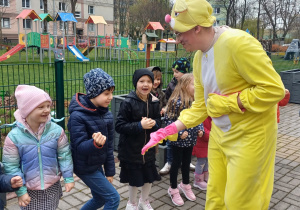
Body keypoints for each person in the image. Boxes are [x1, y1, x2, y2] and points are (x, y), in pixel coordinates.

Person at [142, 0, 286, 209]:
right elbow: (201, 106)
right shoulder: (199, 58)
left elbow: (274, 89)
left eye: (180, 32)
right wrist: (167, 130)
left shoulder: (238, 43)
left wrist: (231, 102)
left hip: (250, 138)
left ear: (197, 27)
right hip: (219, 137)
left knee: (240, 202)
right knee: (215, 198)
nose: (178, 38)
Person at [2, 85, 74, 210]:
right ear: (26, 110)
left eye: (48, 106)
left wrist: (68, 177)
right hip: (29, 189)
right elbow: (11, 166)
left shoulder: (56, 131)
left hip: (52, 184)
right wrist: (21, 191)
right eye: (41, 107)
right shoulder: (14, 137)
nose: (46, 110)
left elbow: (64, 155)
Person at [68, 68, 120, 210]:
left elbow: (109, 146)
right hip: (84, 166)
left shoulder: (107, 114)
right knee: (113, 198)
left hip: (96, 164)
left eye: (111, 93)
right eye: (106, 93)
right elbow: (79, 146)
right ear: (93, 93)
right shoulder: (77, 116)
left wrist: (109, 171)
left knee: (100, 198)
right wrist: (95, 143)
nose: (110, 97)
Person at [116, 69, 161, 210]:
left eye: (149, 81)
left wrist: (155, 123)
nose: (145, 84)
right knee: (135, 180)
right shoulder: (128, 102)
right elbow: (119, 125)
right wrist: (139, 125)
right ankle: (132, 202)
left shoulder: (154, 102)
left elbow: (159, 120)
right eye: (141, 81)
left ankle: (144, 200)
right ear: (136, 83)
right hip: (132, 149)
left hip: (148, 148)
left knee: (149, 177)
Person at [164, 73, 202, 206]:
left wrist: (200, 128)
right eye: (194, 84)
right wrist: (179, 134)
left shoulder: (195, 101)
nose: (197, 87)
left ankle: (185, 184)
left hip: (190, 139)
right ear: (185, 85)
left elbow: (198, 116)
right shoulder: (175, 102)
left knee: (186, 163)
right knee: (176, 164)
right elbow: (168, 121)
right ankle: (173, 188)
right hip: (177, 141)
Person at [159, 58, 196, 175]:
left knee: (188, 139)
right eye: (173, 71)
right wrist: (166, 107)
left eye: (177, 72)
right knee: (171, 141)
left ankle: (187, 161)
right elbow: (168, 99)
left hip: (188, 119)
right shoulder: (172, 84)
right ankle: (169, 162)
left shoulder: (191, 84)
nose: (174, 74)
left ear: (184, 73)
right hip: (175, 117)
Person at [192, 117, 212, 191]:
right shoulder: (203, 116)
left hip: (207, 144)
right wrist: (212, 135)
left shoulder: (211, 116)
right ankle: (198, 180)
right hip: (201, 144)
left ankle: (205, 177)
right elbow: (203, 130)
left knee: (206, 161)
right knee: (201, 162)